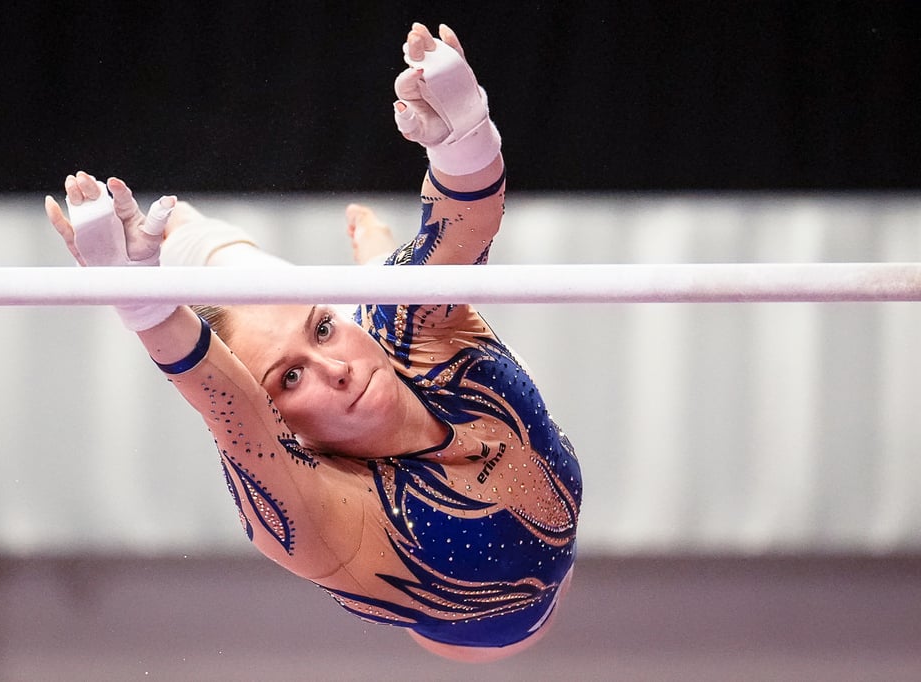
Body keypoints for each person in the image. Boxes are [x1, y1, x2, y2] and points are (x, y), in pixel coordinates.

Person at [45, 23, 582, 662]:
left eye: (324, 332)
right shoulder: (327, 520)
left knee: (321, 298)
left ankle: (312, 273)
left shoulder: (408, 332)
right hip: (480, 633)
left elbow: (465, 227)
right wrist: (144, 303)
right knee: (268, 297)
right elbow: (228, 406)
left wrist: (465, 131)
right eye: (291, 381)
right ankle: (232, 254)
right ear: (283, 424)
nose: (336, 370)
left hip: (392, 341)